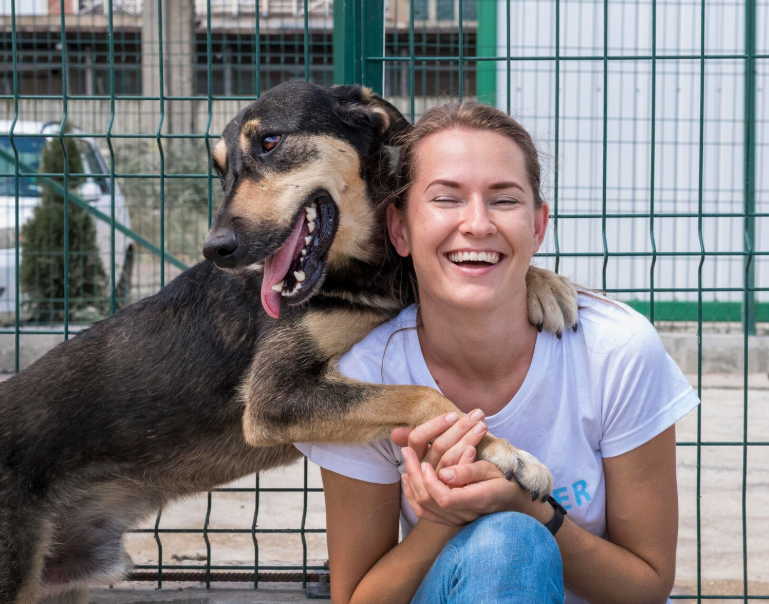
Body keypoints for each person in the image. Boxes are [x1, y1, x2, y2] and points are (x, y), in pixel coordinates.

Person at [295, 101, 699, 604]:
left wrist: (534, 511)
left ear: (538, 226)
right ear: (399, 229)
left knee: (513, 540)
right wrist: (444, 518)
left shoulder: (617, 350)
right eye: (446, 199)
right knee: (503, 546)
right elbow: (356, 598)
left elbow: (647, 587)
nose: (477, 224)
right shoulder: (370, 376)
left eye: (504, 200)